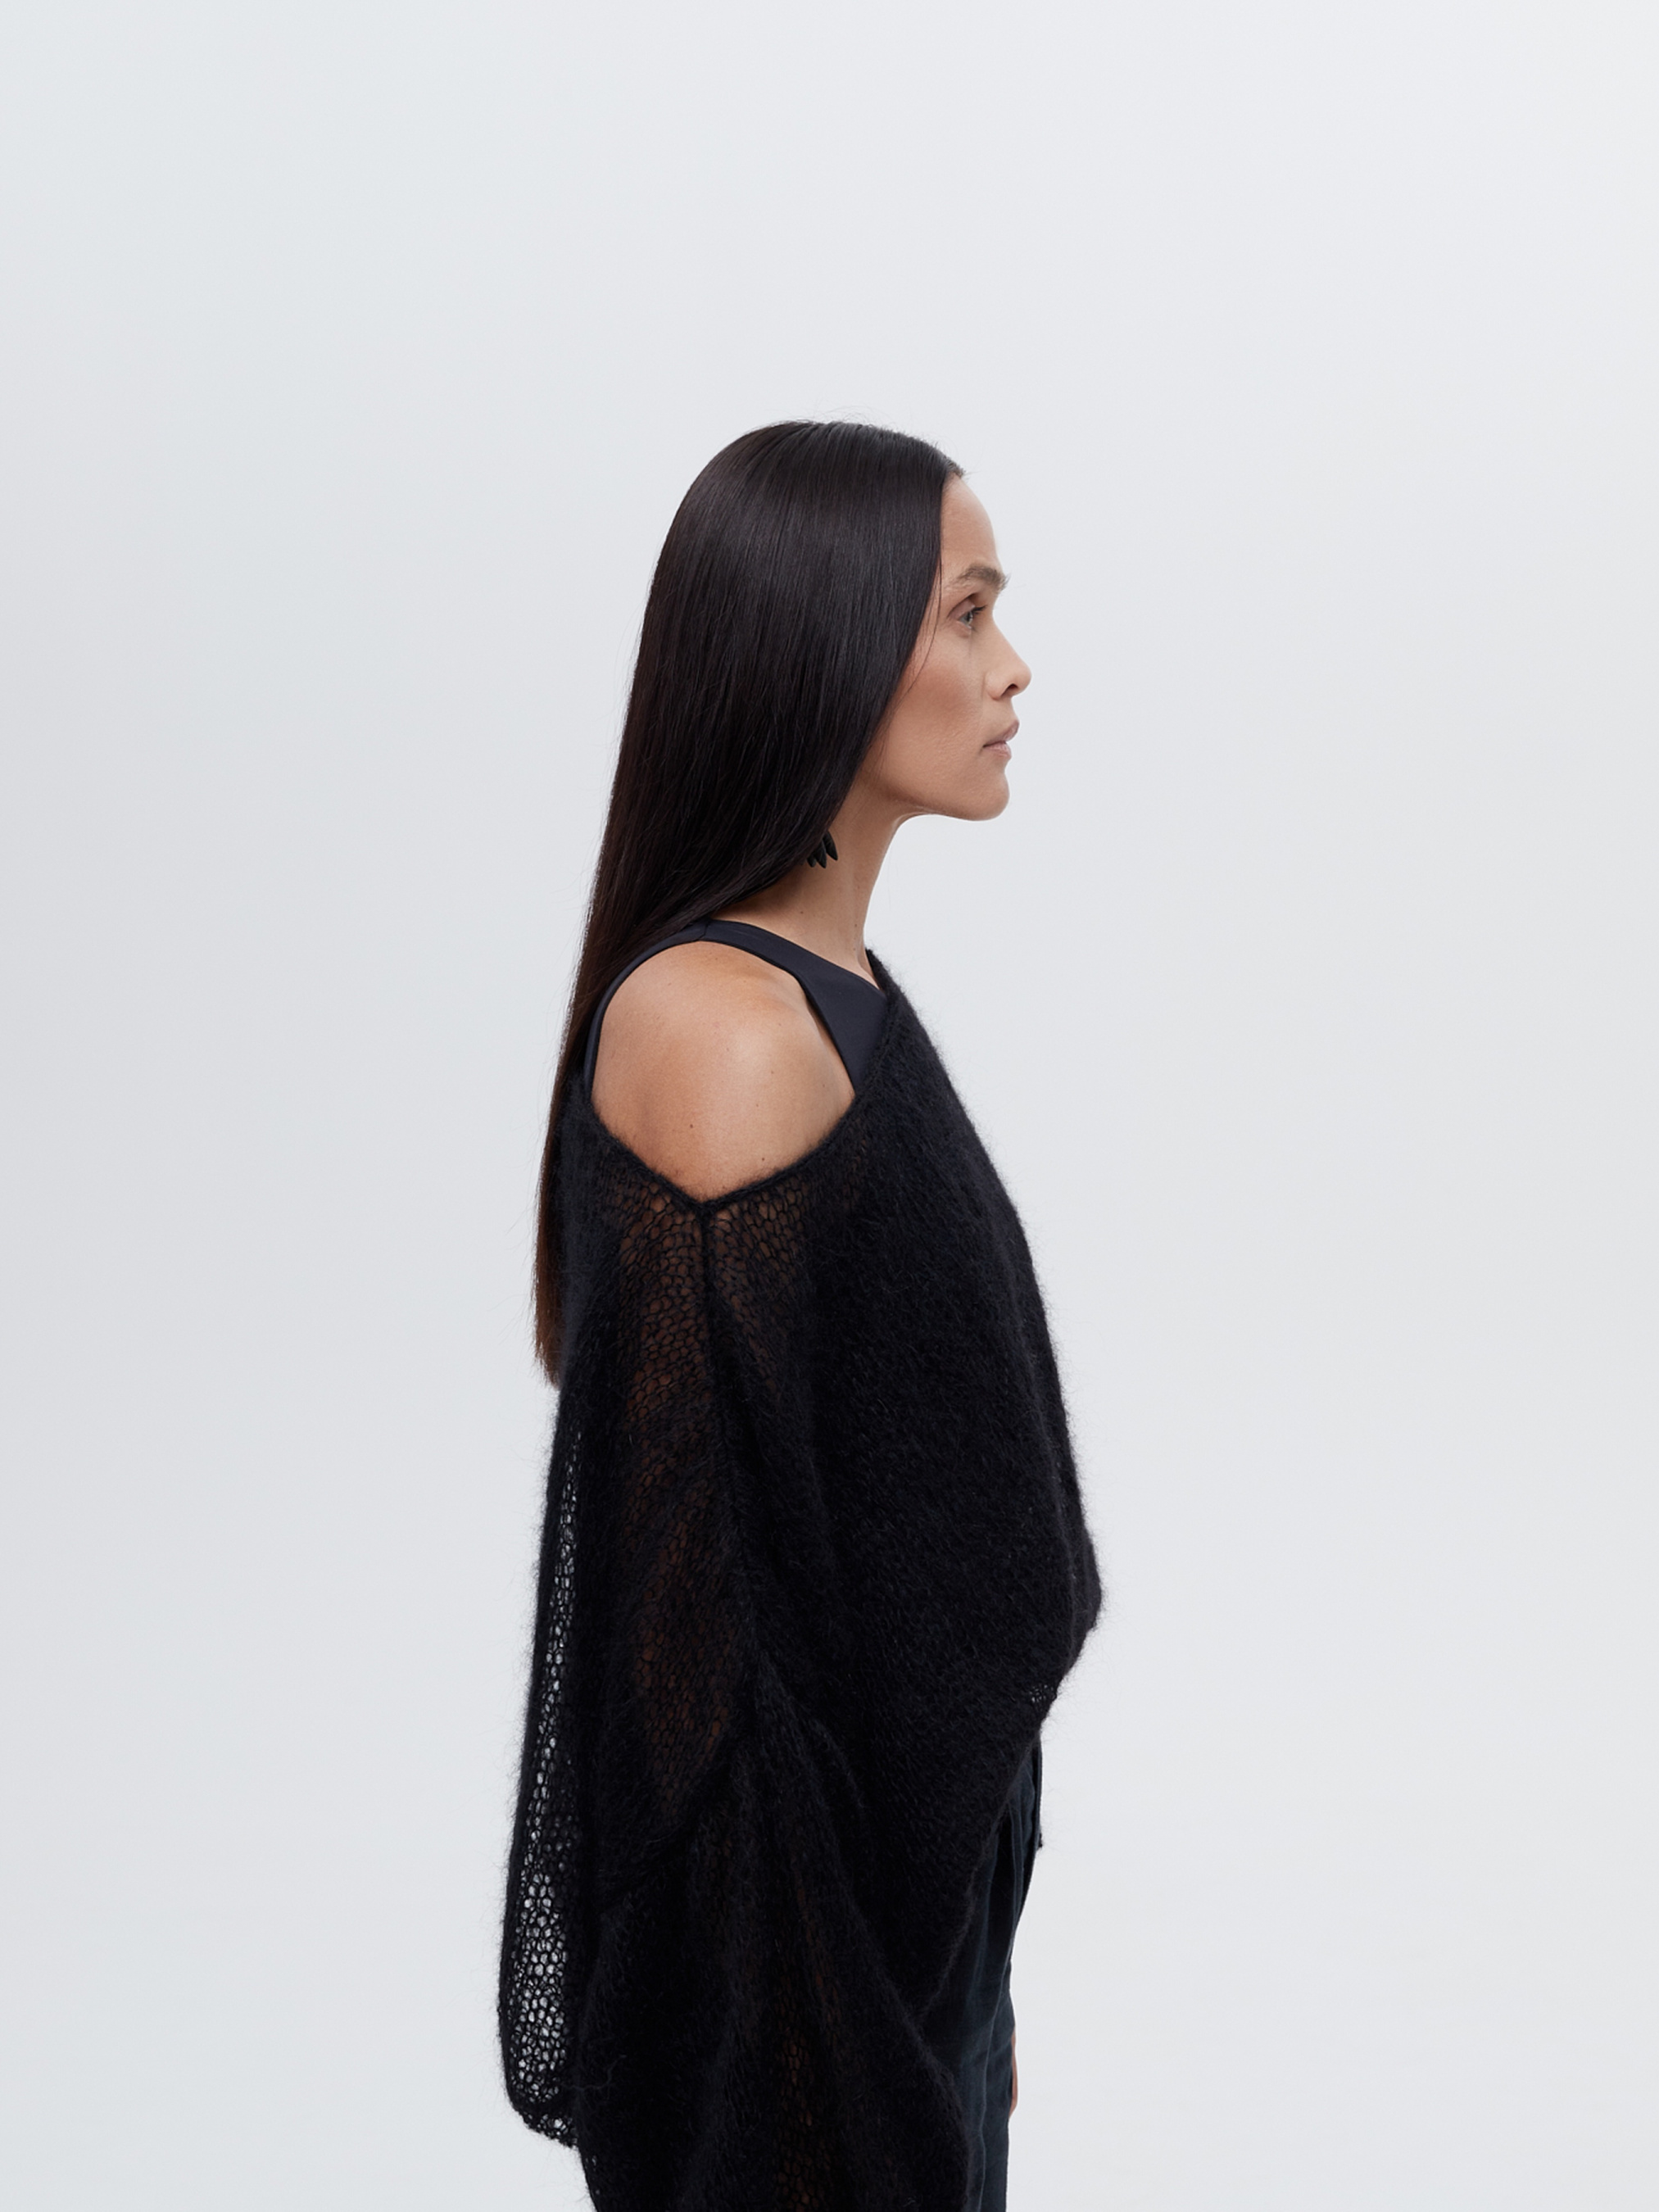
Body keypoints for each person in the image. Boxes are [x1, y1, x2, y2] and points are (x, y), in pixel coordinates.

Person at [501, 420, 1101, 2212]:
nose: (1011, 668)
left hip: (907, 1963)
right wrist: (835, 2066)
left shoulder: (825, 994)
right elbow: (700, 1652)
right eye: (966, 615)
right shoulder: (724, 1037)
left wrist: (963, 1985)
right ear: (826, 649)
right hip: (807, 2035)